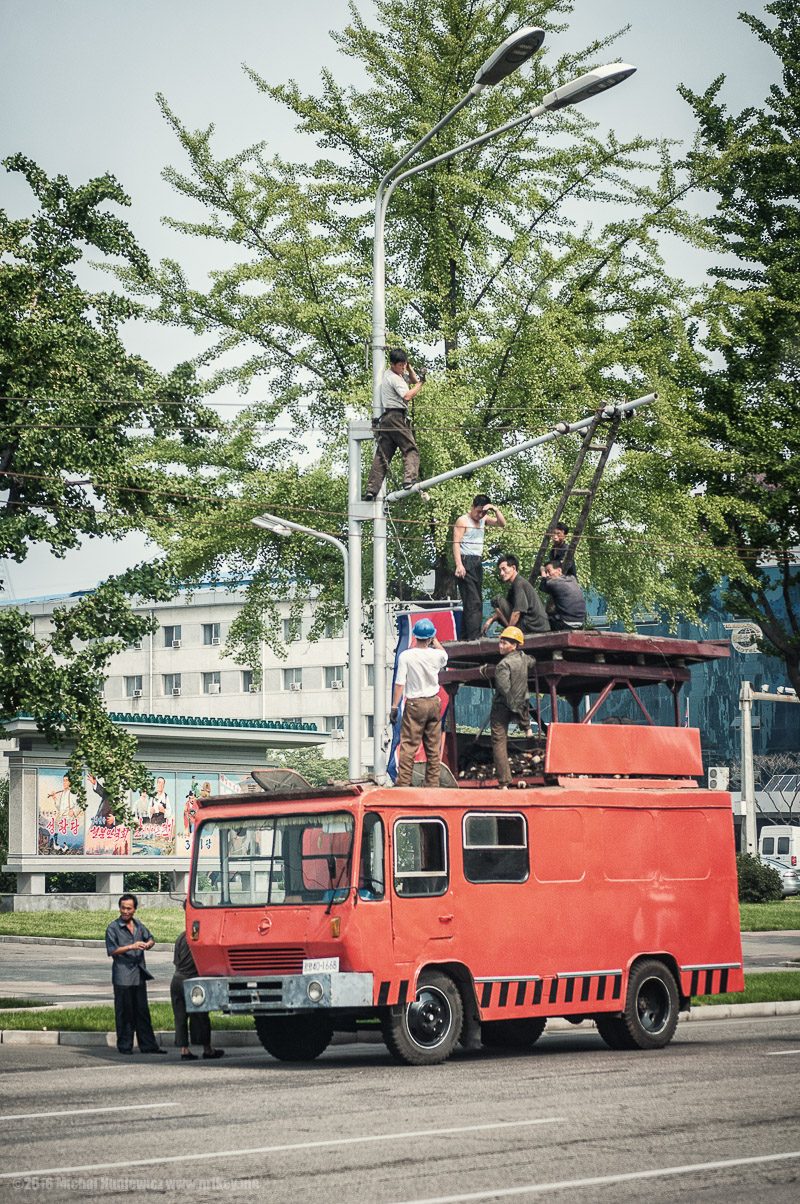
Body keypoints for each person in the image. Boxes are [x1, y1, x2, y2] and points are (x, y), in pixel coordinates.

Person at [105, 893, 166, 1056]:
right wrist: (131, 946)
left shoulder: (139, 925)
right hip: (123, 976)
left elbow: (151, 938)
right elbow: (112, 951)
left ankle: (148, 1045)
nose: (125, 911)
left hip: (139, 974)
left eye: (129, 908)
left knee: (142, 1012)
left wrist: (148, 944)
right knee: (125, 1013)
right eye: (123, 908)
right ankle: (125, 1046)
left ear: (135, 909)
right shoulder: (113, 927)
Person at [391, 618, 448, 787]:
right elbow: (444, 654)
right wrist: (435, 639)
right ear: (430, 637)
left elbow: (400, 683)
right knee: (432, 746)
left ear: (415, 636)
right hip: (433, 703)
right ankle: (432, 784)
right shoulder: (437, 655)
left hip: (415, 704)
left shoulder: (406, 656)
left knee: (409, 745)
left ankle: (403, 783)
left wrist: (394, 707)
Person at [363, 348, 425, 500]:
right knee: (410, 449)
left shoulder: (391, 373)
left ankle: (372, 490)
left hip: (386, 420)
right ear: (392, 364)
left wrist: (410, 369)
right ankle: (409, 479)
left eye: (405, 364)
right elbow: (408, 395)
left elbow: (413, 380)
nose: (403, 367)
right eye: (400, 365)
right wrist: (422, 382)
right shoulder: (395, 379)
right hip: (397, 417)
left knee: (383, 456)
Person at [171, 903, 224, 1061]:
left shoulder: (181, 936)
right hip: (193, 980)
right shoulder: (199, 936)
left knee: (180, 1016)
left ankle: (184, 1050)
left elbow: (176, 961)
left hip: (176, 980)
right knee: (201, 1015)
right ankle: (207, 1049)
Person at [452, 495, 506, 641]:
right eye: (478, 511)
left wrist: (495, 509)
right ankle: (474, 637)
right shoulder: (463, 520)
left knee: (476, 601)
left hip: (477, 562)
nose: (480, 515)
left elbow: (502, 524)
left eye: (483, 512)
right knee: (473, 601)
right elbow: (456, 543)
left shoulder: (483, 519)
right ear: (473, 507)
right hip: (465, 561)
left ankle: (464, 637)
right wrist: (459, 565)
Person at [490, 627, 534, 788]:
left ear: (514, 645)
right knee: (523, 723)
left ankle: (504, 782)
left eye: (504, 643)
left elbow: (504, 689)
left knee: (499, 741)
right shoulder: (524, 658)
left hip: (502, 706)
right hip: (521, 703)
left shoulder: (503, 665)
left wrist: (513, 707)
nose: (500, 646)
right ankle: (527, 728)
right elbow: (532, 661)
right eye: (500, 642)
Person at [482, 554, 549, 636]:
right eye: (500, 570)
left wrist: (508, 633)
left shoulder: (519, 584)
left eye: (504, 569)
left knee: (496, 600)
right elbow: (503, 610)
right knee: (498, 611)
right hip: (533, 625)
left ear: (513, 568)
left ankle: (510, 632)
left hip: (534, 627)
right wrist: (491, 620)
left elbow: (517, 612)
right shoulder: (514, 585)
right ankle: (510, 630)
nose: (501, 573)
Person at [540, 562, 587, 629]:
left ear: (559, 570)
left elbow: (542, 586)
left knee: (541, 618)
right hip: (580, 623)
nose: (547, 575)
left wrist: (542, 571)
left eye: (549, 571)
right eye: (546, 572)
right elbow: (572, 568)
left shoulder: (553, 583)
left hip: (565, 623)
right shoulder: (572, 579)